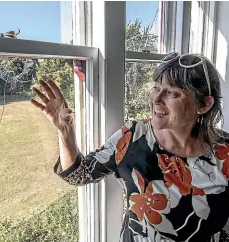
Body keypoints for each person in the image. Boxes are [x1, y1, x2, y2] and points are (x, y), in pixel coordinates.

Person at [31, 53, 229, 242]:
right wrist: (65, 132)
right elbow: (79, 174)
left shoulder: (225, 152)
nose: (156, 99)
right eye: (156, 87)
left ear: (203, 105)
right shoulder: (134, 136)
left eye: (172, 93)